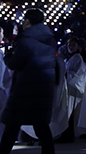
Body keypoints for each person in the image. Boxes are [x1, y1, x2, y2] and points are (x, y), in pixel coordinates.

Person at [0, 9, 56, 154]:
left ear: (28, 21)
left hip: (24, 90)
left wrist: (8, 56)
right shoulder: (48, 39)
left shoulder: (25, 41)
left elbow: (15, 63)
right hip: (43, 88)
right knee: (41, 126)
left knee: (12, 126)